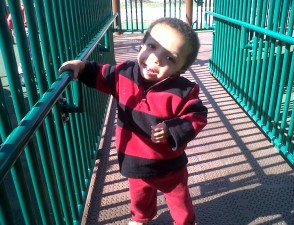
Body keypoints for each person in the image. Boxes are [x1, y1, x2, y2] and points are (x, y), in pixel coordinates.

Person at [59, 17, 208, 225]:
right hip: (134, 159)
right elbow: (101, 74)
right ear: (143, 42)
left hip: (169, 165)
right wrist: (81, 67)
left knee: (179, 200)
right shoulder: (124, 73)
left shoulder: (183, 90)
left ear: (180, 70)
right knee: (139, 197)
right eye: (152, 46)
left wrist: (172, 128)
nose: (156, 58)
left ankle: (186, 222)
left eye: (170, 58)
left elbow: (198, 116)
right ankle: (141, 218)